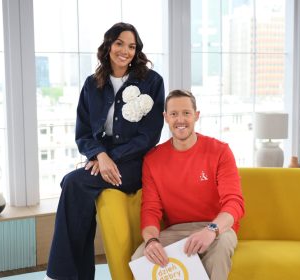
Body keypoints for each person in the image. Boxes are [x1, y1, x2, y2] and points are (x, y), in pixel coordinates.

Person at [45, 22, 165, 280]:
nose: (125, 51)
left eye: (132, 46)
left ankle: (65, 275)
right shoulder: (92, 84)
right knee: (74, 185)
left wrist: (112, 158)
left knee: (73, 183)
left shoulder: (152, 82)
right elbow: (83, 133)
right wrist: (100, 156)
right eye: (120, 43)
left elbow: (150, 135)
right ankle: (75, 273)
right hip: (103, 158)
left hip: (134, 163)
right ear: (108, 45)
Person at [132, 89, 245, 280]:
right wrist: (151, 241)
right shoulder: (153, 159)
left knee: (221, 248)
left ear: (196, 116)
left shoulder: (220, 151)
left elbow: (234, 203)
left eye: (186, 113)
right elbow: (150, 209)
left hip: (217, 228)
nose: (180, 120)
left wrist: (211, 230)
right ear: (166, 117)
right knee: (140, 257)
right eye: (174, 114)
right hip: (177, 231)